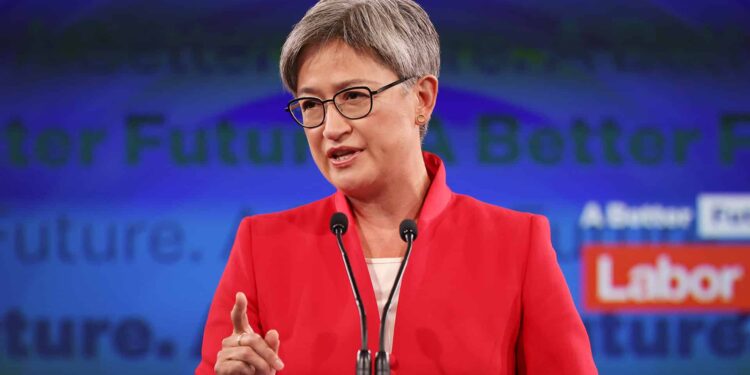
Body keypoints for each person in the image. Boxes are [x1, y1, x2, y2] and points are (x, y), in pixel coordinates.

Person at [196, 0, 597, 374]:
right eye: (311, 105)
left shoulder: (516, 243)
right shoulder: (263, 245)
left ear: (421, 98)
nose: (331, 129)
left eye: (353, 96)